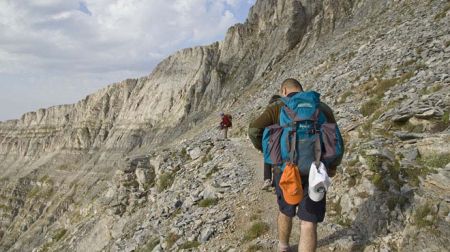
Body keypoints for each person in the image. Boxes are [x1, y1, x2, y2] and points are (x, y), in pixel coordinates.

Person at [248, 78, 341, 252]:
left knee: (285, 211)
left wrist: (267, 151)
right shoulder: (320, 107)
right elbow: (335, 138)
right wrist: (333, 166)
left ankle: (283, 247)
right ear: (301, 90)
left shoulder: (277, 107)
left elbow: (253, 129)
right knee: (308, 222)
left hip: (285, 170)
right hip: (316, 170)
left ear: (284, 90)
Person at [262, 95, 282, 191]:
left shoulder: (270, 110)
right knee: (277, 160)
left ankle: (267, 179)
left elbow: (257, 128)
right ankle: (275, 183)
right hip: (282, 138)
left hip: (271, 138)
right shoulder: (286, 108)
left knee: (267, 158)